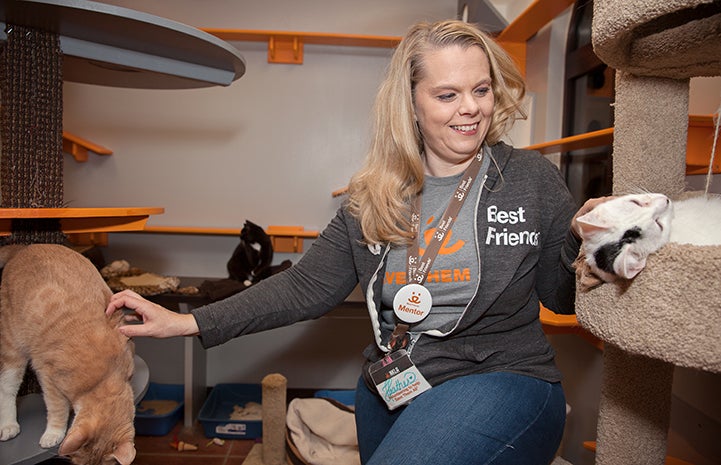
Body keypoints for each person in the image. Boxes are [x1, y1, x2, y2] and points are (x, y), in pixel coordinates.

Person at [107, 19, 601, 465]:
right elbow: (304, 288)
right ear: (411, 102)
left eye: (481, 89)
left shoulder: (530, 179)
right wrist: (188, 321)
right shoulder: (375, 195)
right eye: (447, 95)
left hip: (502, 376)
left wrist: (578, 242)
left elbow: (559, 297)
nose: (470, 108)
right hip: (392, 384)